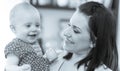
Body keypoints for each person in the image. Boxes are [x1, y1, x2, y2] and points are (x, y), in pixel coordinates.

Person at [50, 1, 118, 71]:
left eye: (76, 31)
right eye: (69, 25)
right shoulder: (54, 59)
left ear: (93, 42)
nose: (65, 33)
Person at [4, 2, 57, 71]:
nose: (34, 29)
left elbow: (38, 63)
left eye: (37, 25)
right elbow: (9, 66)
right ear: (14, 29)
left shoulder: (35, 43)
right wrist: (19, 69)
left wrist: (47, 57)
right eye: (28, 26)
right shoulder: (16, 46)